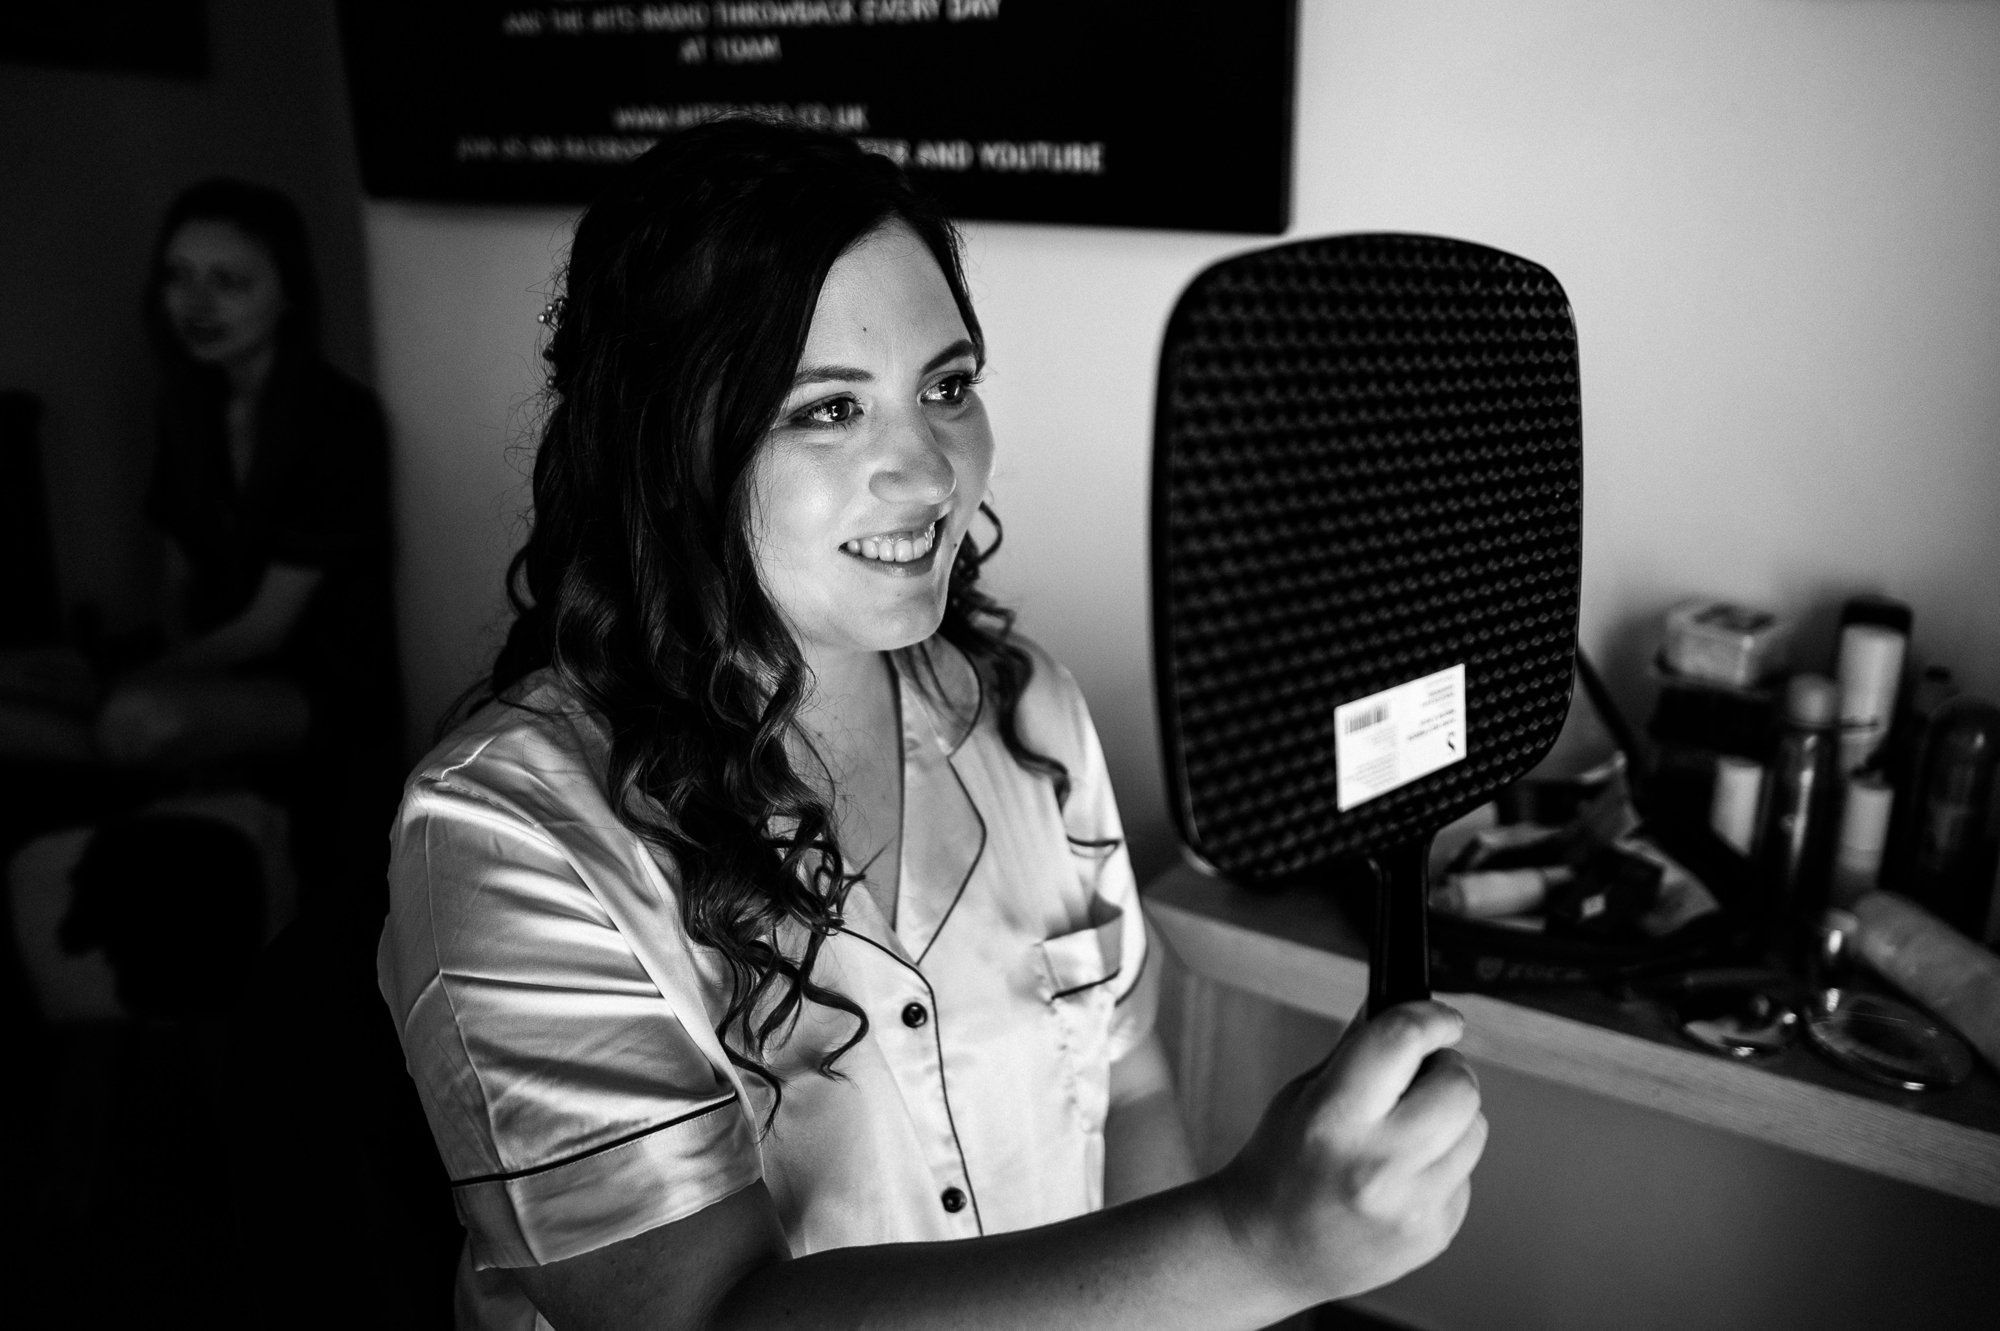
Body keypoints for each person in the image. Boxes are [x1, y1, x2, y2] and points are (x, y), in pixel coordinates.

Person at [379, 118, 1486, 1331]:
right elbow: (694, 1317)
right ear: (663, 448)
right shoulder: (505, 831)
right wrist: (1253, 1245)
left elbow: (1130, 1093)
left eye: (946, 387)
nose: (928, 470)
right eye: (824, 411)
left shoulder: (1029, 715)